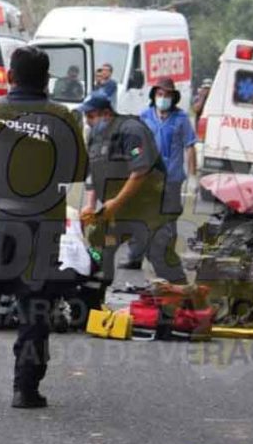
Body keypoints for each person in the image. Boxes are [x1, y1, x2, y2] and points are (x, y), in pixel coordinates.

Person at [0, 46, 87, 408]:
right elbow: (77, 173)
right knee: (36, 309)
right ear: (47, 80)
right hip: (43, 226)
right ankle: (25, 390)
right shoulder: (65, 118)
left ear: (10, 77)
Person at [79, 93, 187, 287]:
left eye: (91, 115)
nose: (88, 121)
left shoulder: (131, 130)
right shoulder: (94, 134)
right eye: (86, 116)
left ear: (106, 113)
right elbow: (92, 174)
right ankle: (97, 299)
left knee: (159, 254)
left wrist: (115, 202)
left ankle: (186, 303)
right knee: (101, 246)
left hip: (150, 207)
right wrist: (90, 205)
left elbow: (140, 170)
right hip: (118, 209)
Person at [120, 77, 197, 270]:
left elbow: (190, 147)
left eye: (167, 95)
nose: (163, 98)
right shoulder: (145, 116)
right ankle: (134, 257)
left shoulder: (181, 119)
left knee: (168, 221)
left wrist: (193, 176)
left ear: (173, 98)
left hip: (171, 178)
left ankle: (166, 259)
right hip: (147, 177)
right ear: (154, 96)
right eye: (160, 94)